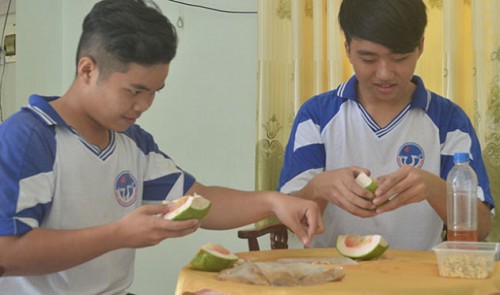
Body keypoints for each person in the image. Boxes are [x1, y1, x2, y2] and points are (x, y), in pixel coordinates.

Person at [0, 0, 325, 293]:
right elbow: (7, 252)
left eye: (155, 91)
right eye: (135, 91)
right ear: (88, 70)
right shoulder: (31, 137)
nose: (144, 105)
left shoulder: (132, 142)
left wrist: (273, 202)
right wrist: (118, 235)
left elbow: (200, 199)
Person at [278, 0, 494, 250]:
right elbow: (288, 220)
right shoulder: (316, 115)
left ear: (420, 46)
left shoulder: (449, 121)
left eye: (399, 58)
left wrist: (435, 189)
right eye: (368, 59)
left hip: (419, 282)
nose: (384, 74)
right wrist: (318, 189)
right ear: (347, 49)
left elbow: (481, 227)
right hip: (331, 278)